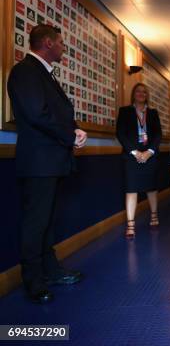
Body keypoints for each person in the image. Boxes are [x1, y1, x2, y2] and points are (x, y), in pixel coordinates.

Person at [7, 24, 86, 304]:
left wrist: (74, 129)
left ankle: (50, 270)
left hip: (52, 161)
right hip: (39, 163)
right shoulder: (26, 71)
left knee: (48, 221)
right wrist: (68, 135)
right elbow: (37, 114)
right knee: (35, 223)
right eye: (61, 43)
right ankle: (33, 281)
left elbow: (56, 112)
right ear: (48, 43)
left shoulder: (44, 74)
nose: (64, 48)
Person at [116, 83, 162, 238]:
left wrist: (149, 152)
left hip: (150, 156)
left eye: (144, 92)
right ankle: (130, 225)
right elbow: (121, 133)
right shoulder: (125, 111)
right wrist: (135, 152)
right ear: (133, 94)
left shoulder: (153, 113)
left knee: (151, 187)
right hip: (131, 156)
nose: (141, 94)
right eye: (138, 91)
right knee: (131, 188)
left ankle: (154, 215)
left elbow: (157, 135)